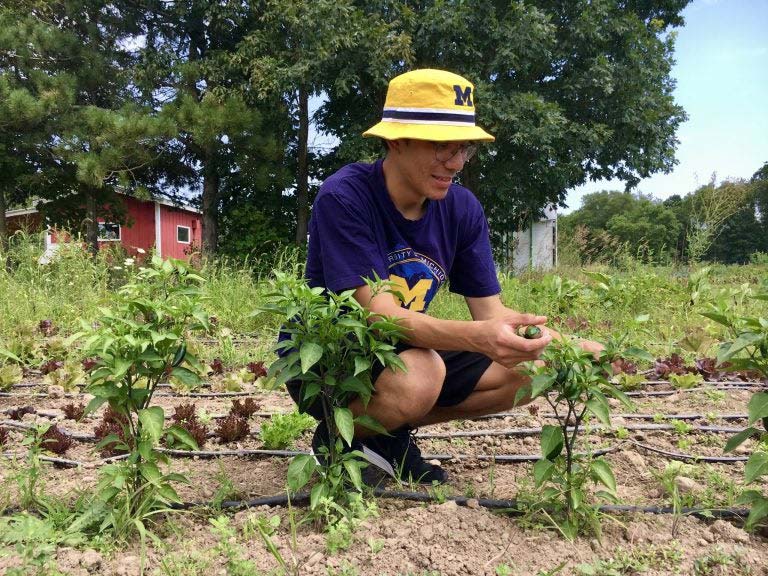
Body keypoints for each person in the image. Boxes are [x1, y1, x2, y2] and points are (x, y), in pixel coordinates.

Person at [286, 68, 601, 484]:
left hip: (405, 349)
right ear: (396, 139)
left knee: (528, 369)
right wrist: (479, 336)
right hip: (330, 354)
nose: (454, 163)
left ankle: (381, 435)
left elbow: (490, 312)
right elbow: (379, 317)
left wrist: (564, 347)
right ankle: (340, 431)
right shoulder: (345, 196)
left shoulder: (462, 208)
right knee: (421, 373)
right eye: (439, 147)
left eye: (463, 149)